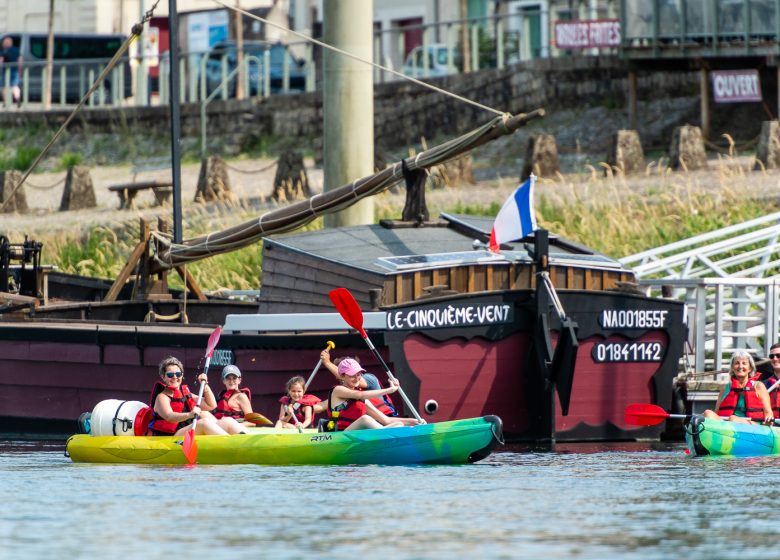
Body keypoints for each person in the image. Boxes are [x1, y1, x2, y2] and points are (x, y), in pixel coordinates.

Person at [148, 356, 246, 436]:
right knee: (204, 422)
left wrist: (205, 385)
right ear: (163, 377)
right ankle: (233, 443)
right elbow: (169, 416)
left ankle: (246, 438)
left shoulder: (186, 394)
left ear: (182, 375)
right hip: (171, 437)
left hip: (187, 430)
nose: (175, 377)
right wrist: (190, 414)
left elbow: (211, 405)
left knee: (227, 421)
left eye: (178, 374)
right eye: (170, 375)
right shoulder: (162, 397)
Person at [323, 358, 422, 431]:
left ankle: (388, 432)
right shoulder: (338, 390)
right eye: (352, 375)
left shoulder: (362, 400)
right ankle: (386, 432)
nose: (357, 378)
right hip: (340, 436)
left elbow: (386, 420)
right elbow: (360, 395)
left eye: (359, 374)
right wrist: (389, 390)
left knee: (396, 423)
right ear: (342, 376)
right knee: (365, 419)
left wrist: (415, 421)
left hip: (356, 436)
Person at [702, 350, 774, 425]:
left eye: (744, 363)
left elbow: (768, 413)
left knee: (733, 419)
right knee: (708, 413)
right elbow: (717, 413)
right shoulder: (725, 388)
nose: (740, 366)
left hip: (752, 425)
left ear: (750, 368)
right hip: (727, 425)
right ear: (732, 368)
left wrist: (768, 422)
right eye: (737, 363)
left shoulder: (759, 386)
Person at [321, 350, 398, 417]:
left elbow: (359, 391)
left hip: (384, 417)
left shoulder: (369, 378)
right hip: (366, 424)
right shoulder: (342, 392)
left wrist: (327, 363)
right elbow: (321, 406)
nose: (356, 377)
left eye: (357, 373)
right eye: (351, 374)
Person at [0, 36, 22, 105]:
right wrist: (19, 70)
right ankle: (17, 98)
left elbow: (1, 60)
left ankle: (6, 102)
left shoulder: (4, 51)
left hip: (5, 72)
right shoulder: (16, 50)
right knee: (15, 86)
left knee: (4, 87)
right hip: (15, 71)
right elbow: (20, 60)